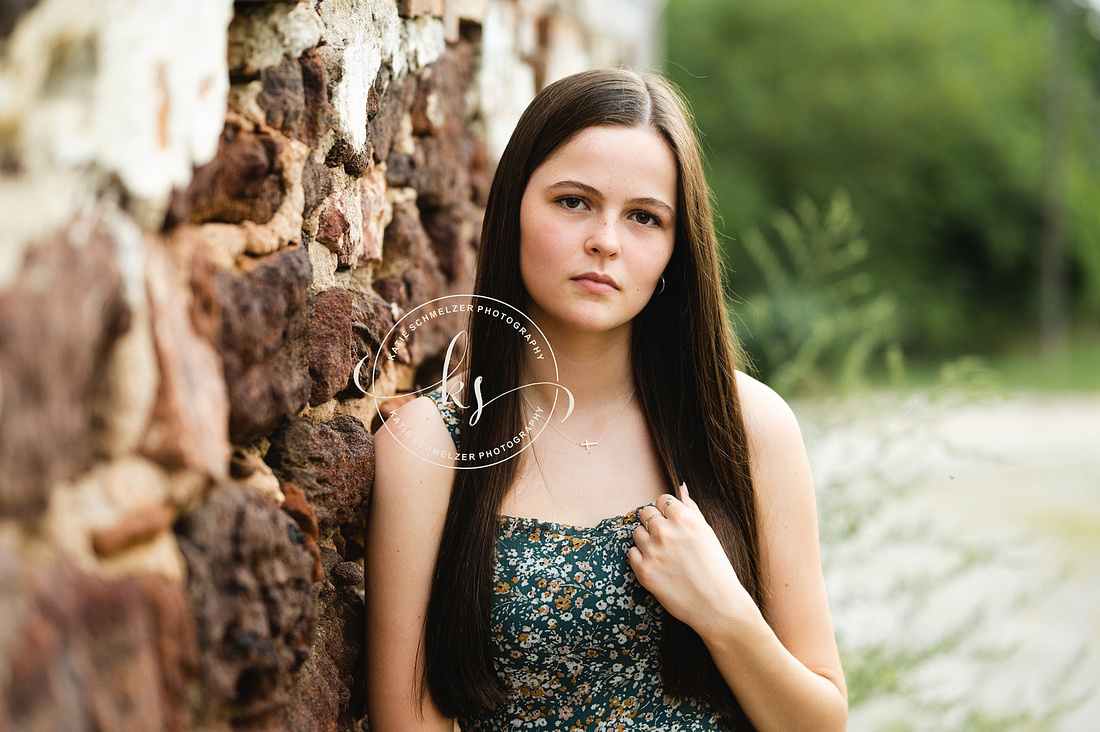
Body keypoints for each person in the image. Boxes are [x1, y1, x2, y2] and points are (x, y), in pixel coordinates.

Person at [365, 68, 847, 731]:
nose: (606, 241)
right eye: (573, 202)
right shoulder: (432, 445)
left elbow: (820, 722)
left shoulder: (748, 427)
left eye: (645, 218)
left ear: (676, 250)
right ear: (513, 209)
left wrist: (724, 613)